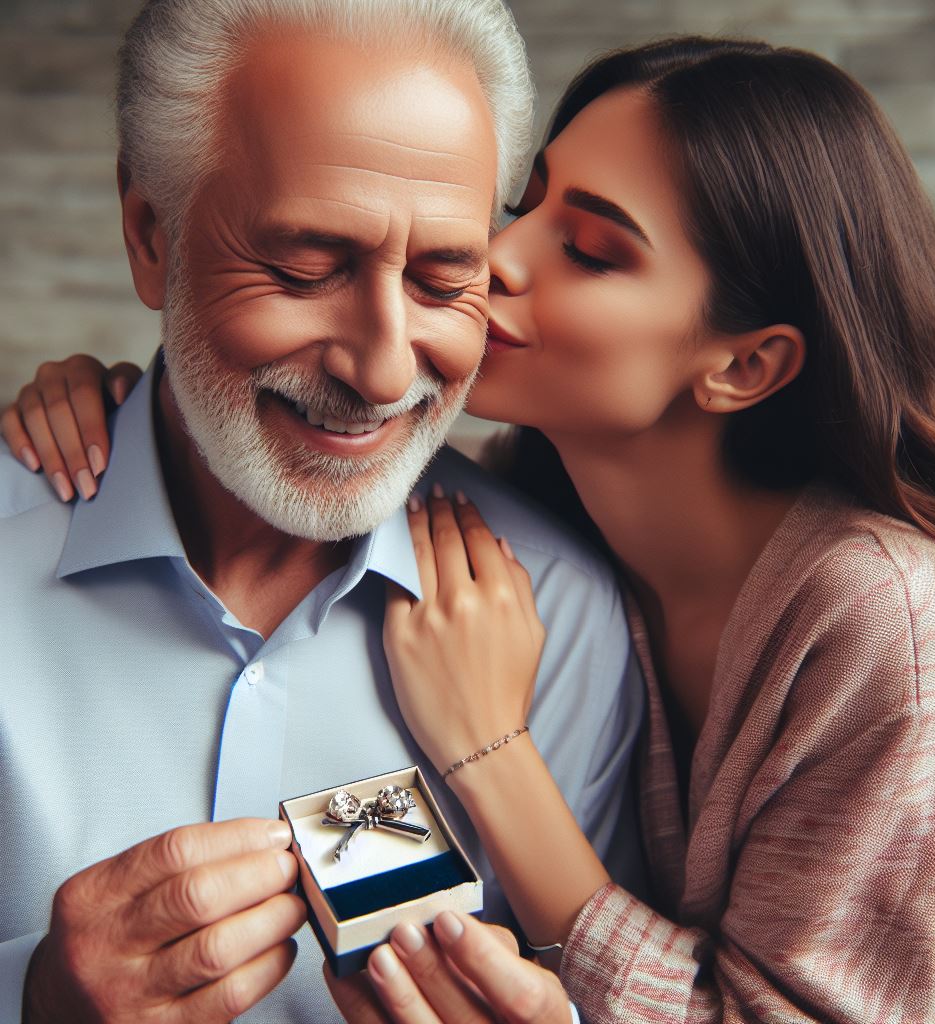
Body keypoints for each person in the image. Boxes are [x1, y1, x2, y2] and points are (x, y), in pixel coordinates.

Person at [9, 34, 935, 1024]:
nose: (486, 261)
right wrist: (143, 404)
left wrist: (490, 751)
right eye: (522, 206)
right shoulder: (529, 506)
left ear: (743, 365)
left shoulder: (891, 625)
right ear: (150, 235)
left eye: (588, 250)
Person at [0, 3, 649, 1023]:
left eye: (446, 278)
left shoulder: (566, 614)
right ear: (150, 234)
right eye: (304, 271)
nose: (383, 371)